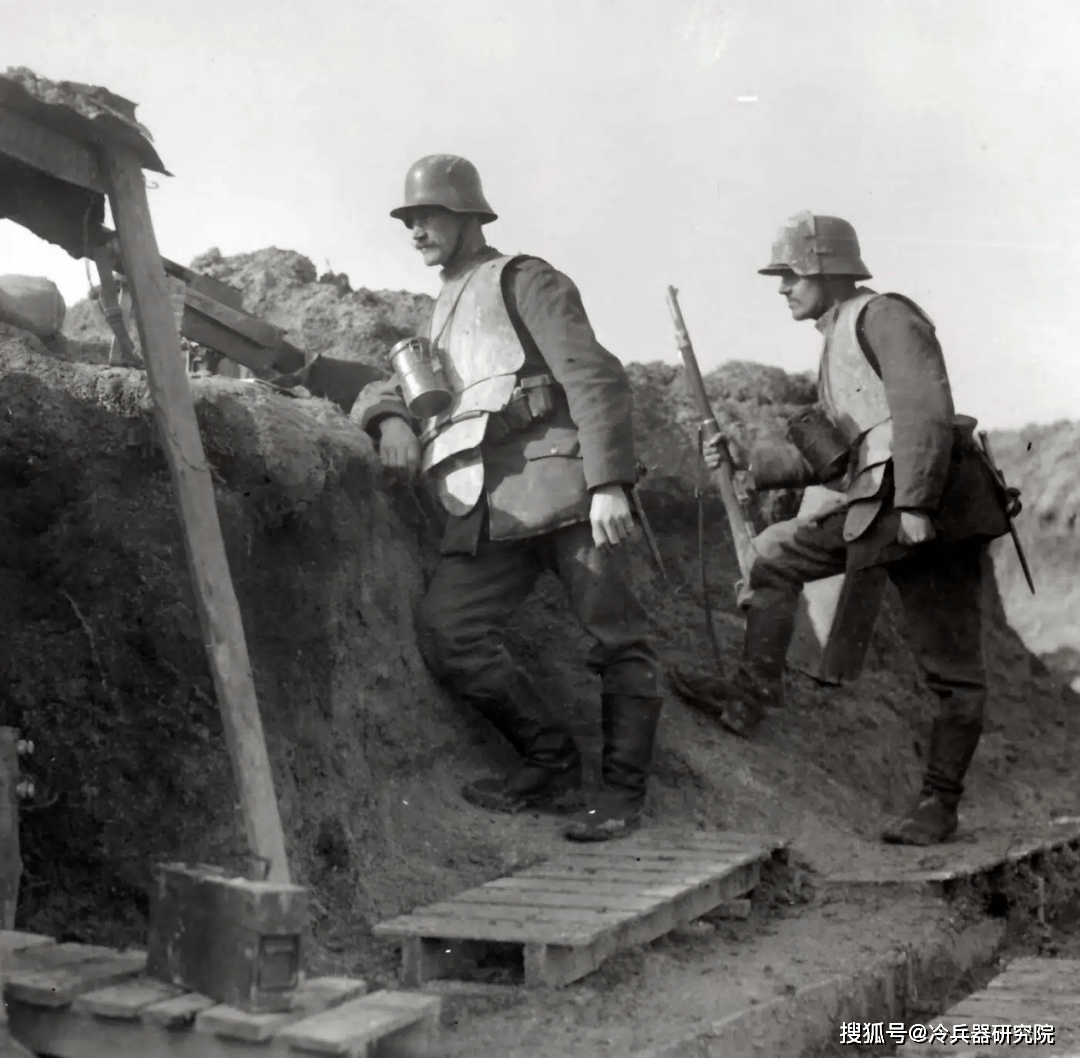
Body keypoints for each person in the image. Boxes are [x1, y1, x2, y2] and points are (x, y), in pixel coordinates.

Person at [356, 155, 662, 842]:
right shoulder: (440, 311)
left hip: (565, 485)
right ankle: (550, 764)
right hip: (488, 503)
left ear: (468, 215)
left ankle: (620, 797)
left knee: (616, 637)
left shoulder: (524, 278)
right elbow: (390, 382)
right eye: (409, 220)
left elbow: (593, 374)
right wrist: (389, 417)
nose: (416, 231)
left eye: (428, 216)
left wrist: (609, 482)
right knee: (450, 630)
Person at [704, 211, 1017, 846]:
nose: (783, 288)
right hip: (886, 507)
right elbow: (845, 454)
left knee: (953, 671)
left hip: (934, 515)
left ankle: (938, 806)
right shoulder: (837, 336)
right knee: (771, 557)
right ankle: (752, 695)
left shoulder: (885, 317)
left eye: (791, 274)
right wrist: (747, 466)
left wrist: (920, 505)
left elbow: (924, 410)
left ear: (826, 269)